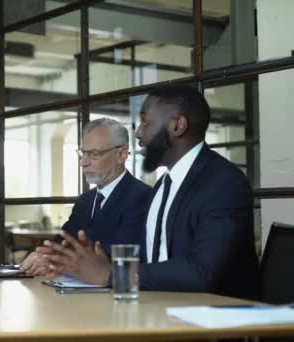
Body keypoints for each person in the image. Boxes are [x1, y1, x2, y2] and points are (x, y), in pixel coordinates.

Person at [38, 85, 261, 300]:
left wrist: (111, 274)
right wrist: (95, 259)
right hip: (158, 307)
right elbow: (151, 257)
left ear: (177, 126)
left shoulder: (223, 182)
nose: (137, 133)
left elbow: (202, 271)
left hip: (212, 324)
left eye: (145, 123)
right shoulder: (165, 184)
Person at [20, 118, 152, 276]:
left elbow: (117, 254)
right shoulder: (85, 201)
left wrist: (54, 261)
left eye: (94, 154)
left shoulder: (143, 197)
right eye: (83, 153)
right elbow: (61, 243)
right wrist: (43, 255)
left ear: (122, 154)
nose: (83, 162)